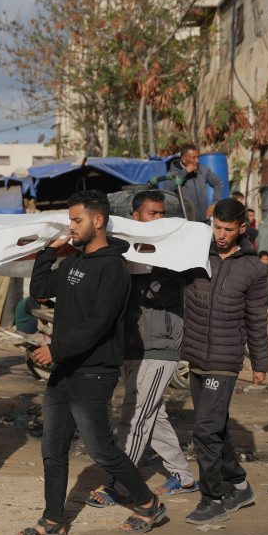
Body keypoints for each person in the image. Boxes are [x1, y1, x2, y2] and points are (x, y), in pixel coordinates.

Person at [16, 190, 166, 535]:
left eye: (77, 220)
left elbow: (99, 323)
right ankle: (54, 519)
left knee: (100, 449)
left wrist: (56, 348)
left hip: (94, 372)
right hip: (64, 371)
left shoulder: (114, 268)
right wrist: (50, 251)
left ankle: (148, 502)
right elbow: (39, 288)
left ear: (98, 221)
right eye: (70, 220)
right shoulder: (73, 263)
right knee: (52, 449)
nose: (71, 226)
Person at [86, 190, 198, 508]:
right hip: (132, 346)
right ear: (136, 217)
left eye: (162, 213)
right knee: (153, 412)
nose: (159, 219)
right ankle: (183, 476)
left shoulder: (173, 254)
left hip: (160, 348)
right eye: (153, 213)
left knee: (135, 414)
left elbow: (164, 293)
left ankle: (121, 483)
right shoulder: (124, 253)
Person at [181, 198, 268, 524]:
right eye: (216, 227)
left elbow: (256, 319)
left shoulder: (253, 269)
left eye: (227, 229)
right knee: (215, 429)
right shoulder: (197, 256)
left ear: (241, 229)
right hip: (196, 356)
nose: (220, 234)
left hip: (226, 359)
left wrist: (260, 363)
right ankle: (240, 485)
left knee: (204, 430)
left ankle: (213, 498)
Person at [166, 143, 224, 223]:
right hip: (186, 223)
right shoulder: (173, 173)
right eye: (194, 158)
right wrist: (185, 172)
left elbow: (218, 183)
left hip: (205, 220)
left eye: (198, 157)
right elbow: (167, 190)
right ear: (183, 159)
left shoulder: (203, 169)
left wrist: (215, 203)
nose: (197, 160)